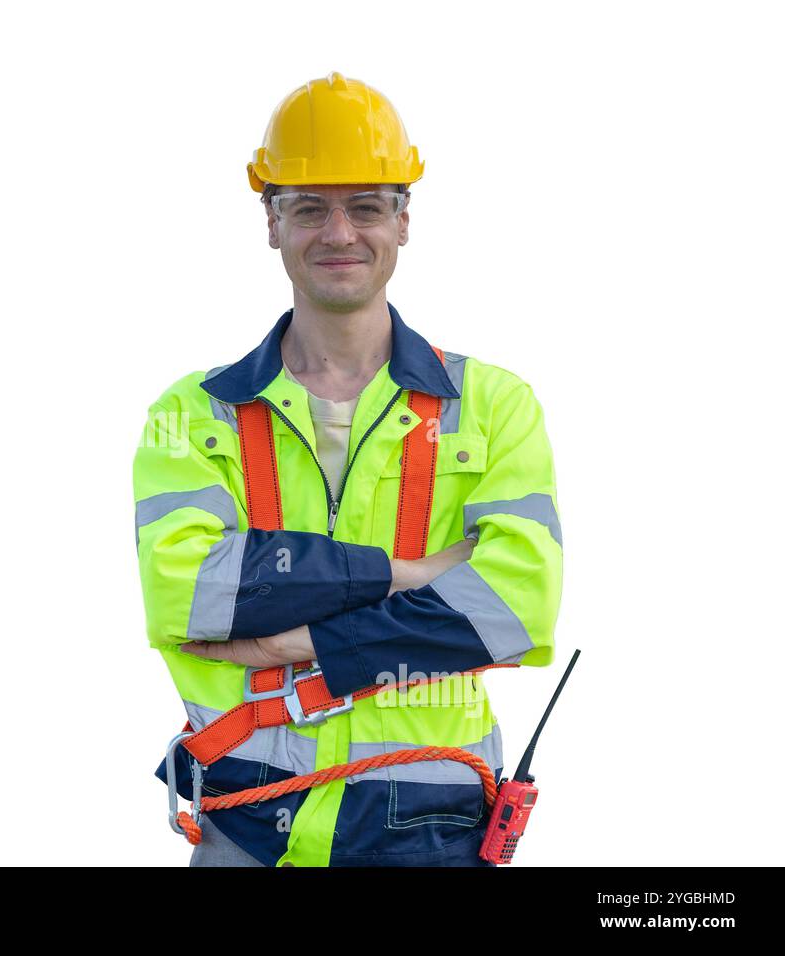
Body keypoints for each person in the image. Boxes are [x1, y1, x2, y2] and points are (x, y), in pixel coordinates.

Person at [132, 73, 563, 867]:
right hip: (251, 821)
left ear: (403, 222)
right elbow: (189, 592)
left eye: (366, 205)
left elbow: (515, 607)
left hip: (430, 822)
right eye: (308, 207)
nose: (339, 231)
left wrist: (294, 641)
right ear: (271, 220)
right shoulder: (193, 413)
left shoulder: (496, 404)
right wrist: (416, 572)